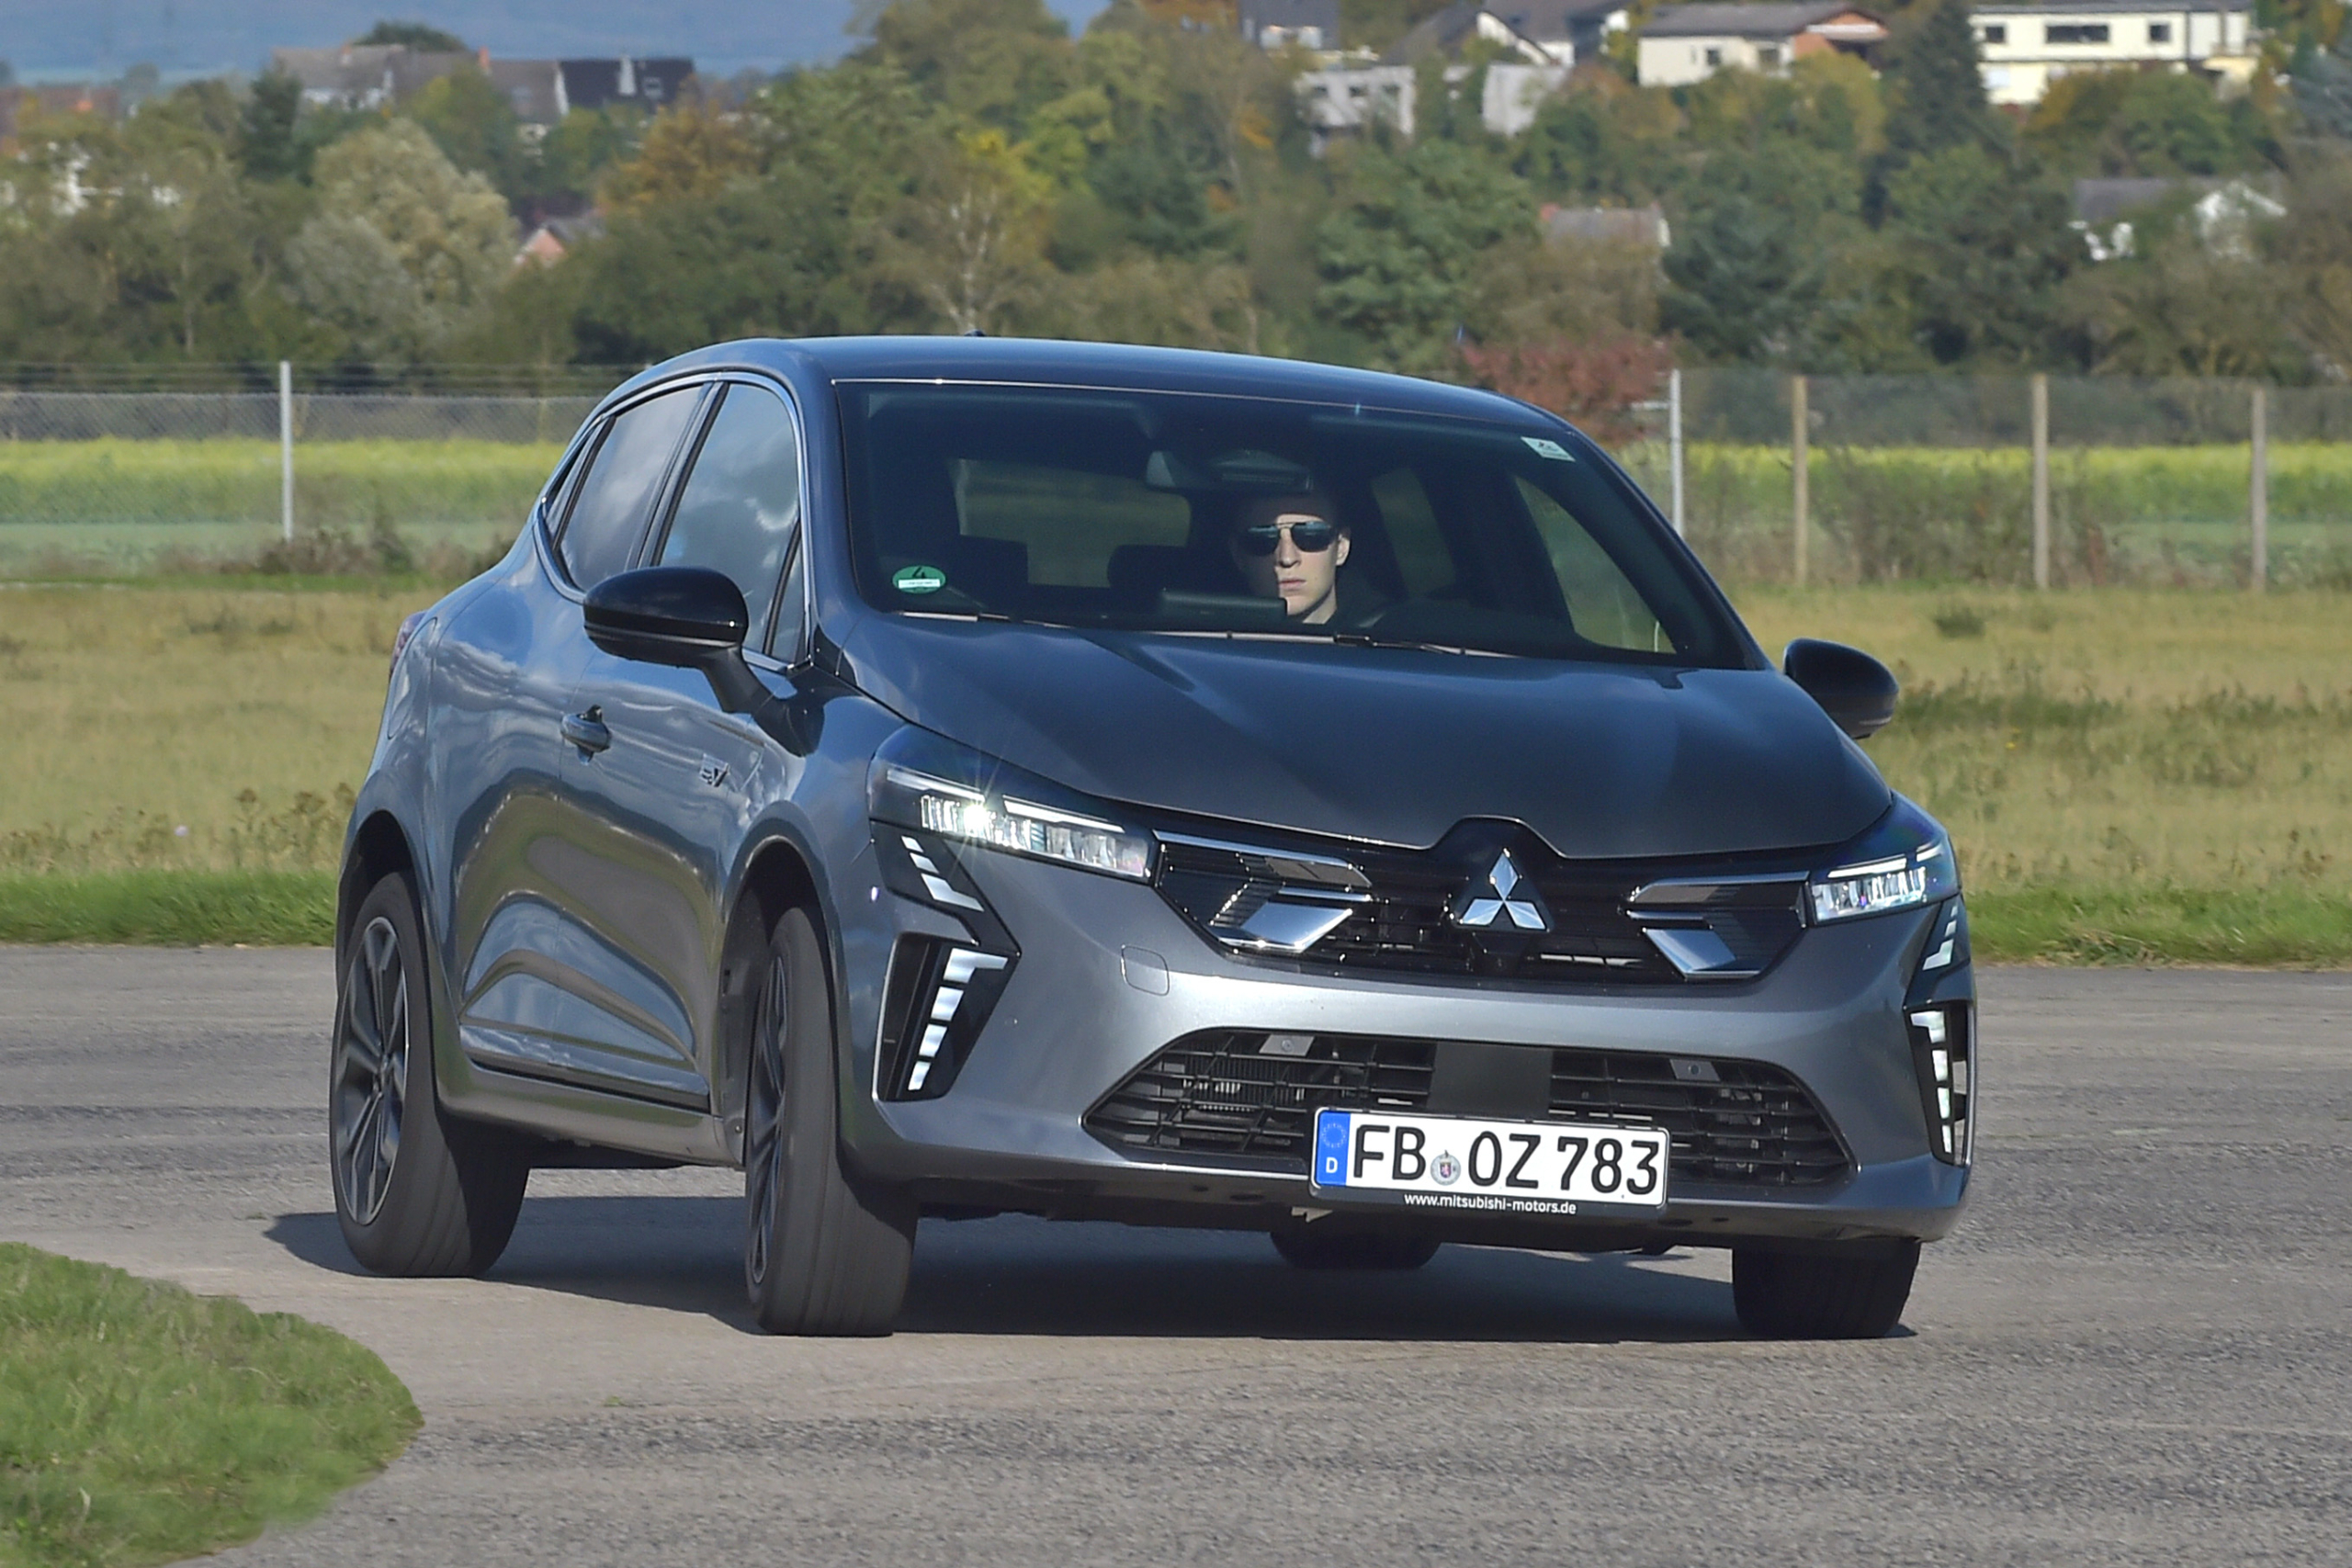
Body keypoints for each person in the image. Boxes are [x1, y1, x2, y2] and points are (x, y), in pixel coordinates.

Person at [1230, 491, 1351, 624]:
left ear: (1341, 547)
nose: (1287, 558)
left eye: (1310, 536)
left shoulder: (1374, 635)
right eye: (1262, 539)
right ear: (1238, 556)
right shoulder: (1212, 641)